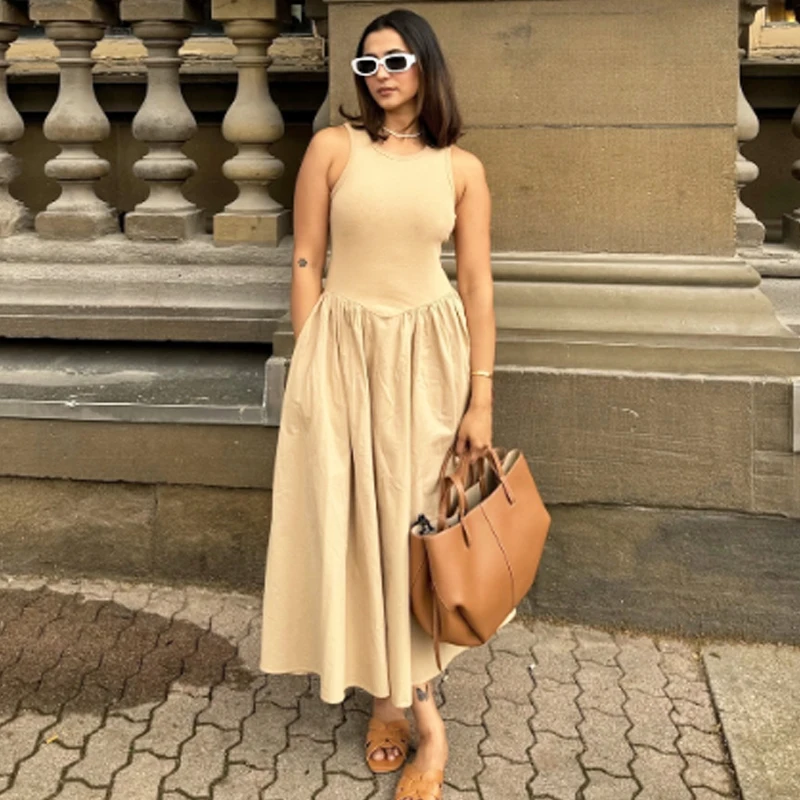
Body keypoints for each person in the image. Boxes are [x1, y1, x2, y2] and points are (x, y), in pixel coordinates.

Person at [260, 8, 495, 799]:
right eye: (367, 65)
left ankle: (419, 716)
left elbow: (477, 284)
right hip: (345, 352)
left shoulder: (461, 168)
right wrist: (310, 362)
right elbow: (306, 259)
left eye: (395, 60)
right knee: (360, 522)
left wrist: (481, 398)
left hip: (430, 360)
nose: (382, 75)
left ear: (425, 65)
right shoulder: (334, 149)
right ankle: (393, 703)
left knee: (413, 532)